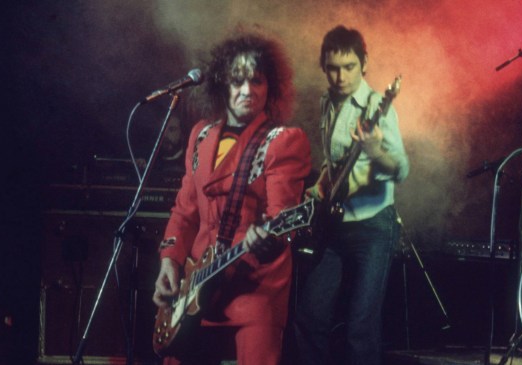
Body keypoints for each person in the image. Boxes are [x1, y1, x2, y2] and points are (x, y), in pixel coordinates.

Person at [152, 31, 311, 365]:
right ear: (223, 83)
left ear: (270, 88)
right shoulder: (201, 135)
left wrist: (269, 238)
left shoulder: (282, 141)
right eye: (238, 81)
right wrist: (170, 261)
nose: (247, 91)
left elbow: (282, 217)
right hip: (195, 288)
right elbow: (185, 210)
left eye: (257, 81)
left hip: (253, 288)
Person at [294, 25, 409, 365]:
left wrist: (375, 151)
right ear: (323, 66)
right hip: (335, 226)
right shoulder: (327, 103)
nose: (341, 76)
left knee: (360, 327)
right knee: (309, 318)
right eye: (333, 67)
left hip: (374, 228)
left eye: (349, 67)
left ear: (364, 64)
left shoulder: (378, 105)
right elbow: (336, 164)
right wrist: (318, 188)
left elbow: (400, 168)